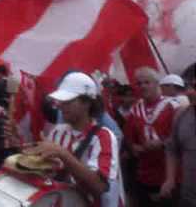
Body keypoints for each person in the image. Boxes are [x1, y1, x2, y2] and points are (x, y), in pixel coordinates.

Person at [32, 72, 123, 207]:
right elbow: (47, 170)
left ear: (86, 103)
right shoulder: (58, 131)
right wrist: (18, 144)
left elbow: (100, 187)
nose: (61, 106)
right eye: (61, 101)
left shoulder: (104, 137)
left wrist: (62, 153)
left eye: (68, 102)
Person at [124, 67, 176, 207]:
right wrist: (134, 148)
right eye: (139, 83)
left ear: (157, 83)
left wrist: (163, 143)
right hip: (145, 176)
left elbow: (182, 138)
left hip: (170, 175)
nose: (142, 86)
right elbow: (129, 140)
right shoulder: (135, 110)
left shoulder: (173, 107)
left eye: (147, 82)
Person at [161, 88, 196, 206]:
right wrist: (170, 179)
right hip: (188, 196)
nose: (189, 92)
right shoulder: (182, 114)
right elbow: (172, 148)